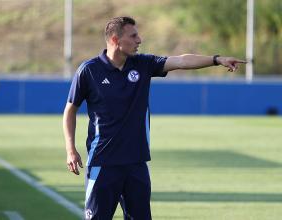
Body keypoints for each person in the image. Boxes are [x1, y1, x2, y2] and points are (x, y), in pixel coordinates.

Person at [63, 16, 246, 220]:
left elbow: (181, 61)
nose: (139, 40)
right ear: (115, 40)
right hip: (103, 163)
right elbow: (70, 110)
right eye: (133, 36)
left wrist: (216, 59)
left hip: (136, 163)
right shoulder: (89, 70)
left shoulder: (143, 64)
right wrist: (71, 150)